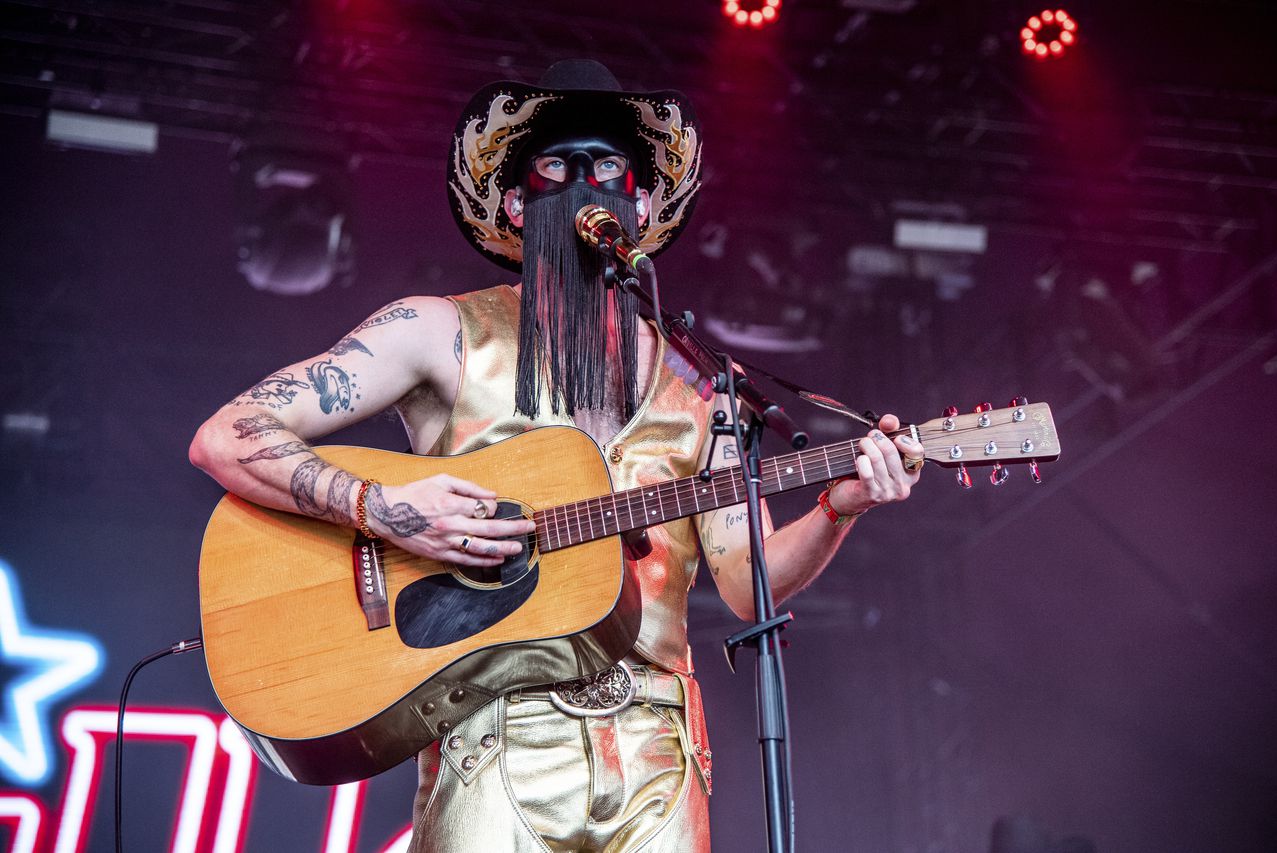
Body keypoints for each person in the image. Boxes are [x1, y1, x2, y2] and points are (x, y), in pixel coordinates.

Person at [189, 59, 923, 853]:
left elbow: (748, 582)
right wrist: (386, 510)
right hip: (494, 736)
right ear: (514, 200)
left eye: (609, 166)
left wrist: (835, 509)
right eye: (556, 167)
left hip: (658, 752)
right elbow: (228, 433)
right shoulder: (439, 333)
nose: (586, 184)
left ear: (641, 204)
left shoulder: (704, 384)